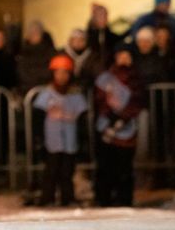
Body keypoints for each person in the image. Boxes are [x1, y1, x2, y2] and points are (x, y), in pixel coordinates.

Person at [93, 47, 145, 207]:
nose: (124, 59)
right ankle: (104, 199)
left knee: (124, 167)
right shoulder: (106, 78)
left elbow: (137, 101)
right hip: (106, 127)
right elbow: (100, 99)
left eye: (127, 56)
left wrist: (123, 117)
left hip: (127, 130)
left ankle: (124, 199)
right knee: (106, 165)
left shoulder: (136, 79)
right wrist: (110, 116)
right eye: (121, 56)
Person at [34, 54, 88, 207]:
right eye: (58, 73)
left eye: (65, 73)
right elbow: (38, 116)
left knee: (67, 171)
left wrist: (83, 138)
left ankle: (67, 198)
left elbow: (82, 116)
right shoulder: (47, 93)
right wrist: (39, 138)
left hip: (70, 139)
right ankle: (47, 198)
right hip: (52, 139)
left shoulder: (75, 94)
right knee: (51, 170)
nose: (61, 76)